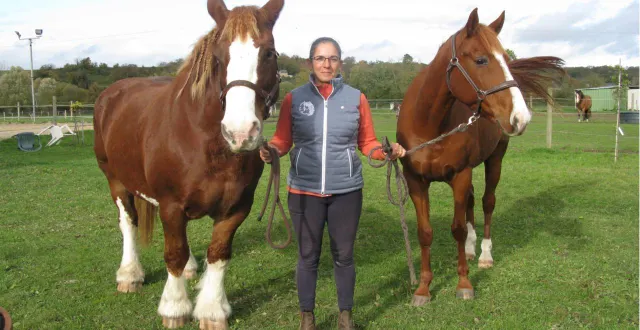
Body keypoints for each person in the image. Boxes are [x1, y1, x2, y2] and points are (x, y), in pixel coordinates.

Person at [259, 37, 406, 330]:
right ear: (311, 62)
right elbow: (283, 139)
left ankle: (345, 317)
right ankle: (307, 318)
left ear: (339, 63)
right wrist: (271, 150)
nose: (326, 64)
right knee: (307, 256)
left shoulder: (356, 98)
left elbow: (367, 142)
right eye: (320, 58)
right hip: (304, 192)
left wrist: (386, 152)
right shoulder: (294, 99)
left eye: (332, 58)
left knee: (344, 256)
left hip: (346, 192)